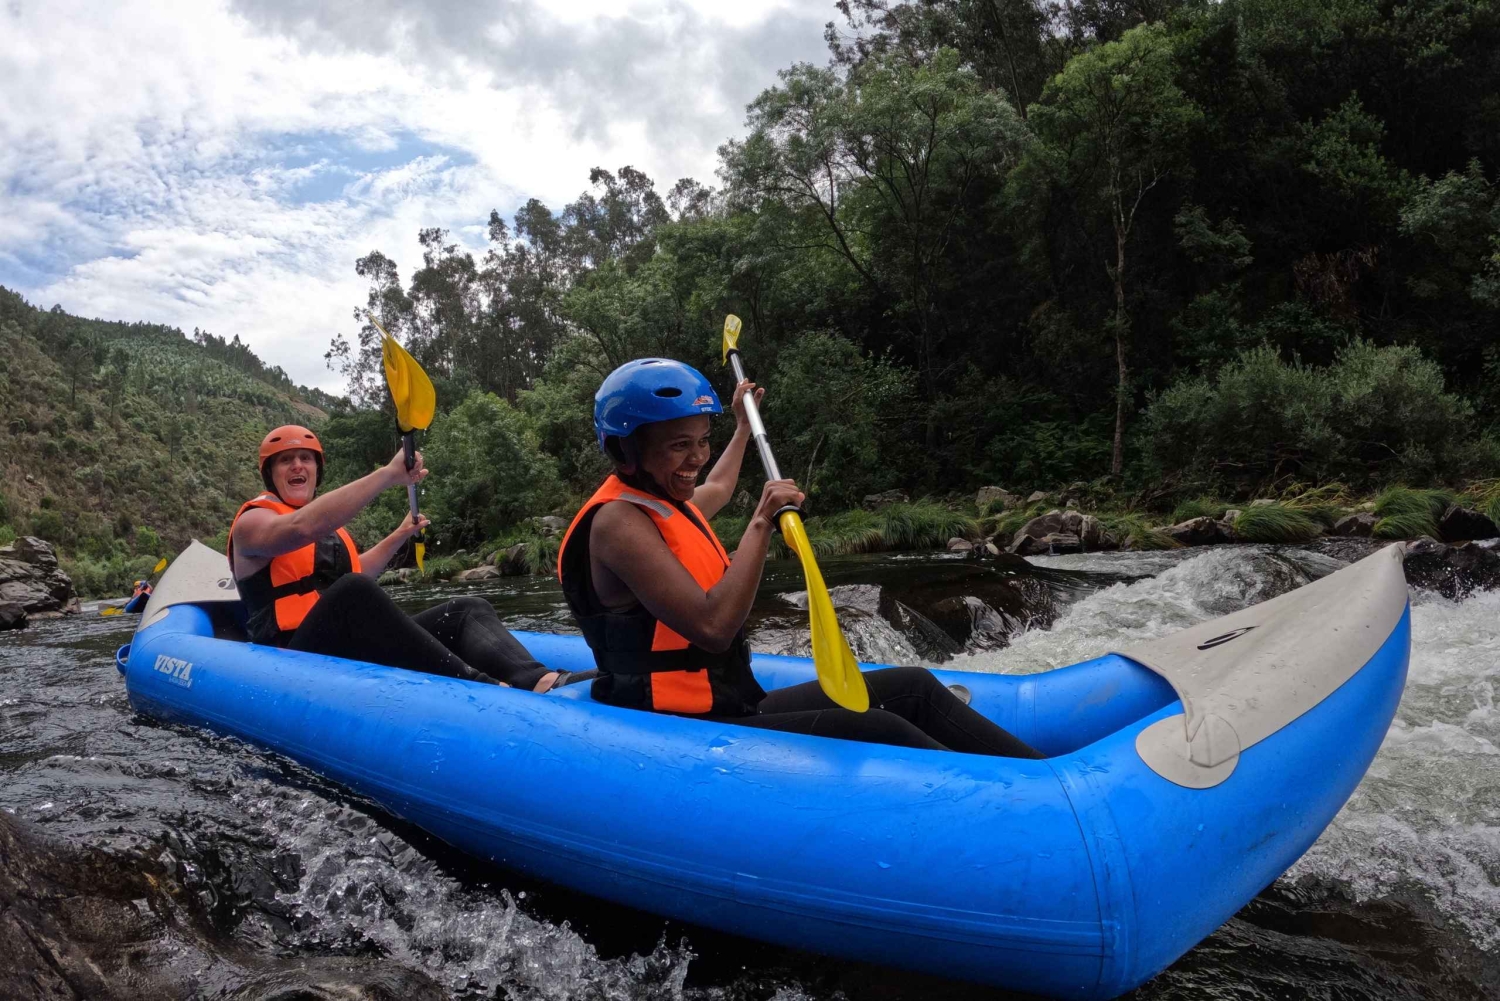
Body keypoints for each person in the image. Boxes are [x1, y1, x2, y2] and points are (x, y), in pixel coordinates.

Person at [557, 359, 1043, 757]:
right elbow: (712, 626)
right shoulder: (618, 523)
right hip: (683, 723)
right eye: (679, 446)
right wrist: (762, 522)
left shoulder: (665, 503)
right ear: (626, 451)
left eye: (702, 440)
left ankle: (1044, 776)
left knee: (912, 688)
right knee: (881, 730)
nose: (697, 458)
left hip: (727, 700)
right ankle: (1018, 806)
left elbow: (720, 487)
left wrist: (744, 428)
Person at [227, 424, 578, 692]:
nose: (297, 466)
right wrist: (387, 475)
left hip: (342, 647)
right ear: (269, 474)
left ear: (317, 470)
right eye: (285, 460)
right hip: (291, 657)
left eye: (306, 459)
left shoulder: (332, 532)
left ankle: (540, 680)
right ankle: (482, 686)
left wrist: (401, 534)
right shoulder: (253, 523)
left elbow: (359, 570)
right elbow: (303, 530)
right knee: (353, 590)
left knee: (466, 610)